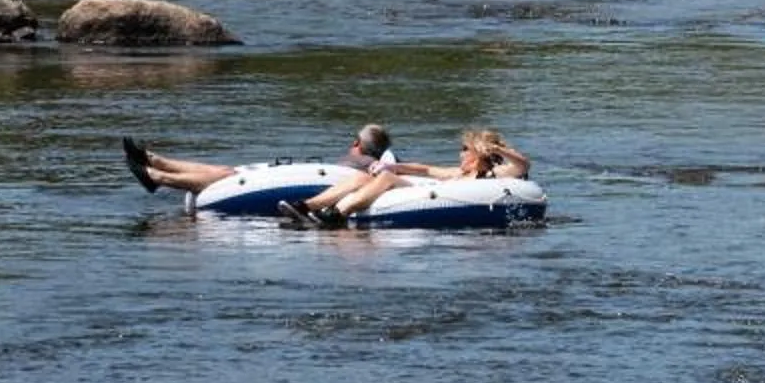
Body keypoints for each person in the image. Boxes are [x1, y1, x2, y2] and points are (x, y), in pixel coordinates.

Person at [282, 128, 529, 227]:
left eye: (465, 148)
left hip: (450, 200)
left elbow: (523, 164)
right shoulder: (458, 173)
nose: (460, 152)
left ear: (479, 153)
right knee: (362, 179)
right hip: (418, 191)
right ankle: (307, 206)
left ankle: (338, 214)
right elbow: (424, 170)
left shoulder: (496, 174)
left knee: (387, 178)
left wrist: (497, 149)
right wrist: (390, 166)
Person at [123, 124, 400, 195]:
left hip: (316, 184)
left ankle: (157, 177)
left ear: (357, 144)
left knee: (229, 178)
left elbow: (385, 168)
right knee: (227, 170)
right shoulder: (370, 161)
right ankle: (152, 160)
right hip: (310, 176)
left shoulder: (367, 164)